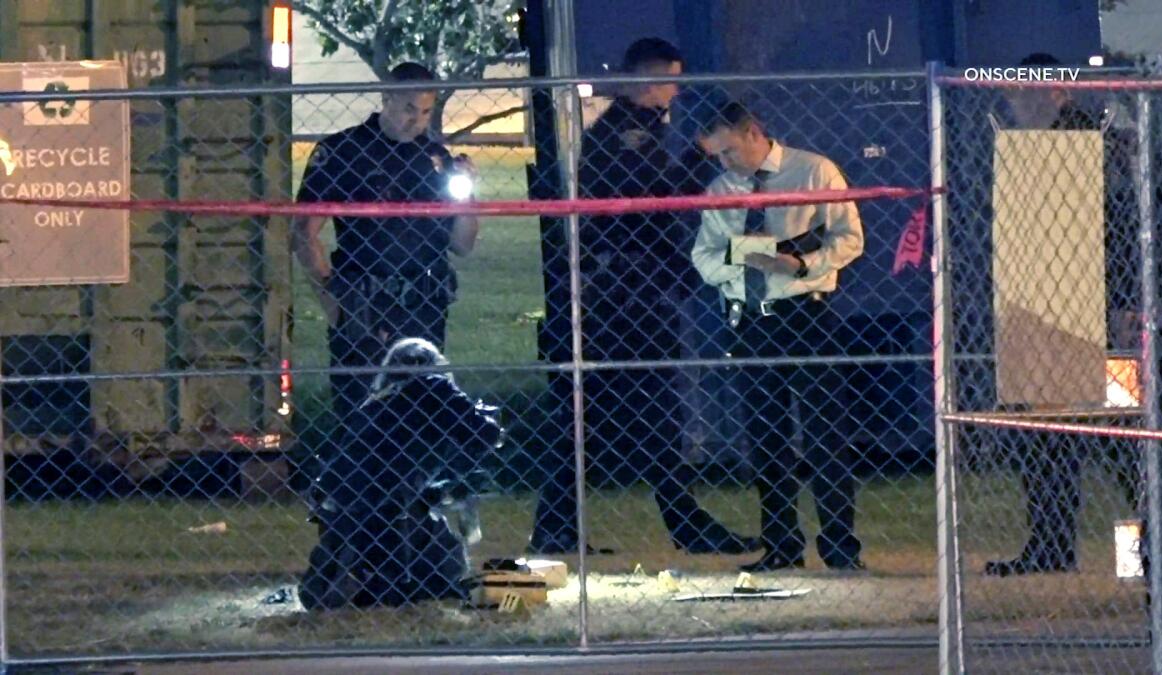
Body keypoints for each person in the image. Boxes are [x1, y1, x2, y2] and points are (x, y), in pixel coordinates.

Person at [529, 38, 755, 555]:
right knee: (640, 411)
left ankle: (565, 527)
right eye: (665, 80)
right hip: (624, 297)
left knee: (601, 415)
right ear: (640, 80)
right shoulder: (624, 134)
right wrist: (702, 157)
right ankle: (676, 523)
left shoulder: (645, 129)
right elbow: (656, 201)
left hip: (630, 290)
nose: (673, 91)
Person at [982, 53, 1143, 577]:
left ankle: (1142, 545)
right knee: (1044, 439)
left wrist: (1122, 303)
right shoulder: (1026, 148)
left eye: (1028, 93)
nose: (1018, 104)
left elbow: (1119, 232)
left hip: (1090, 311)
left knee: (1120, 435)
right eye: (1015, 95)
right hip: (1041, 313)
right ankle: (1051, 544)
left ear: (1058, 92)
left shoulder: (1089, 146)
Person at [691, 102, 867, 572]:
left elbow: (850, 238)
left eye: (729, 151)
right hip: (751, 319)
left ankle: (840, 546)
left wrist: (803, 263)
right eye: (717, 156)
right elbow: (704, 260)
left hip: (806, 314)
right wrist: (751, 254)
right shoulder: (720, 190)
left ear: (753, 132)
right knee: (766, 438)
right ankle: (782, 544)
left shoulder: (814, 172)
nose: (725, 164)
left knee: (825, 436)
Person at [292, 62, 480, 426]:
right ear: (386, 98)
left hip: (425, 304)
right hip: (365, 302)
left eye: (427, 111)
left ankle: (423, 482)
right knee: (364, 417)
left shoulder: (436, 160)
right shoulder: (344, 151)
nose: (418, 121)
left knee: (424, 416)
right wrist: (333, 303)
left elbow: (463, 245)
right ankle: (360, 482)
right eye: (409, 109)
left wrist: (466, 196)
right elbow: (303, 231)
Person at [299, 337, 505, 610]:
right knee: (448, 560)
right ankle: (389, 583)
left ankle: (362, 579)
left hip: (344, 506)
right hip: (391, 506)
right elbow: (485, 434)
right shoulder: (433, 387)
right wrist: (484, 417)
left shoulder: (375, 403)